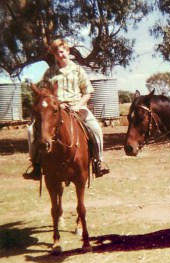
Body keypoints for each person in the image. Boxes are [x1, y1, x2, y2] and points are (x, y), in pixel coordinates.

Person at [23, 39, 109, 180]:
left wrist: (78, 105)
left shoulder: (78, 70)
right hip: (55, 108)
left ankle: (98, 162)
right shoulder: (50, 72)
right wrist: (57, 103)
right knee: (31, 130)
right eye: (56, 53)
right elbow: (44, 93)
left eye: (62, 52)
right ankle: (36, 165)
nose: (60, 55)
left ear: (67, 51)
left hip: (77, 106)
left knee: (96, 128)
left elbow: (87, 92)